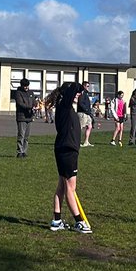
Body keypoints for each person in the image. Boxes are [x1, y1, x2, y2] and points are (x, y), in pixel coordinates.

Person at [45, 81, 92, 234]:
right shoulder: (64, 105)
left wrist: (79, 90)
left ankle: (56, 220)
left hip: (65, 149)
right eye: (77, 93)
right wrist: (79, 86)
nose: (79, 94)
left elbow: (74, 91)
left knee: (62, 186)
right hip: (67, 151)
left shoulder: (65, 106)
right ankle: (79, 222)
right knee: (71, 188)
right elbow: (74, 88)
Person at [13, 77, 35, 159]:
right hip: (21, 117)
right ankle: (19, 151)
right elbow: (20, 104)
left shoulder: (31, 93)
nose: (26, 87)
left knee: (27, 136)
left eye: (27, 86)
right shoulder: (18, 93)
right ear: (22, 86)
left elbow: (34, 101)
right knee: (21, 135)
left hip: (29, 117)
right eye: (25, 86)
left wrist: (35, 106)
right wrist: (30, 107)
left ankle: (25, 151)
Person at [77, 80, 95, 147]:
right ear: (83, 86)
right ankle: (76, 142)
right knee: (80, 127)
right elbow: (80, 103)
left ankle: (86, 141)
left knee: (89, 126)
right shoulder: (81, 93)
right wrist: (86, 109)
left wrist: (89, 111)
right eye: (87, 86)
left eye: (88, 86)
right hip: (82, 113)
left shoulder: (86, 93)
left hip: (87, 113)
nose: (88, 87)